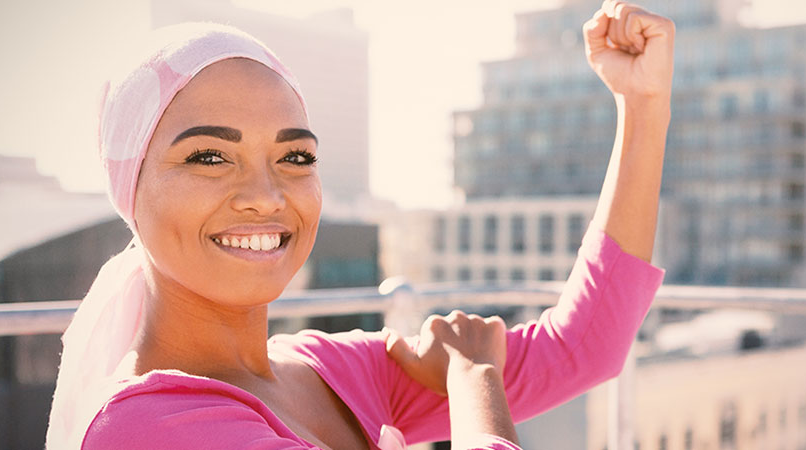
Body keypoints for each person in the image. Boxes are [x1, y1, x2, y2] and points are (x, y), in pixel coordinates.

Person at [45, 1, 673, 448]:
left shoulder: (330, 370)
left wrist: (642, 105)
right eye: (209, 156)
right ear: (130, 188)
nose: (264, 196)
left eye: (295, 157)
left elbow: (582, 347)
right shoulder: (146, 430)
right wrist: (474, 377)